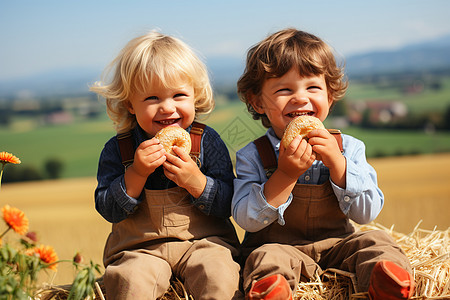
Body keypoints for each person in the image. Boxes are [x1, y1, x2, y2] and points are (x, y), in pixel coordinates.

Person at [232, 28, 414, 300]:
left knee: (376, 241)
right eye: (284, 89)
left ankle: (386, 281)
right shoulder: (253, 154)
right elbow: (246, 219)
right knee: (264, 257)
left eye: (313, 87)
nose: (300, 98)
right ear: (258, 102)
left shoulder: (349, 148)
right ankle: (272, 290)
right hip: (279, 247)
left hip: (339, 245)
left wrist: (338, 164)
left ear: (330, 96)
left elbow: (367, 213)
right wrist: (284, 175)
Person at [90, 31, 242, 300]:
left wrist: (196, 182)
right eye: (152, 98)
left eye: (179, 95)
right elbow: (108, 209)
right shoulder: (119, 149)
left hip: (204, 243)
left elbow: (229, 203)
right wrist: (136, 173)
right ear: (130, 104)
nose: (167, 108)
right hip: (140, 249)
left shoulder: (206, 142)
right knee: (129, 281)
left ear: (194, 96)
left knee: (219, 274)